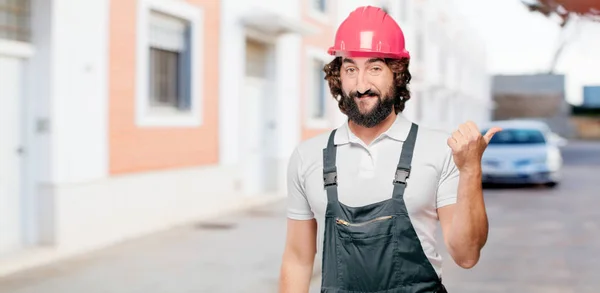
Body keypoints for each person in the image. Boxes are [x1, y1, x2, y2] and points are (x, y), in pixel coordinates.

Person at [278, 5, 501, 293]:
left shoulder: (439, 150)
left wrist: (470, 170)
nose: (361, 84)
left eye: (374, 68)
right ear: (338, 76)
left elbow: (466, 255)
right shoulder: (307, 157)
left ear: (396, 74)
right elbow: (297, 260)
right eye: (350, 69)